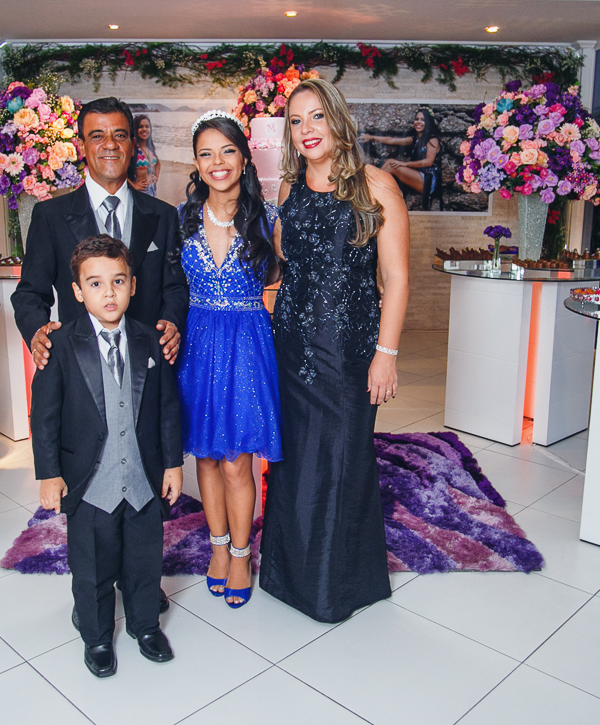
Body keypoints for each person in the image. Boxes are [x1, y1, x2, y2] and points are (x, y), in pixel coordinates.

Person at [260, 78, 410, 623]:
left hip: (348, 351)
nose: (307, 130)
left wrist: (386, 353)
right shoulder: (288, 189)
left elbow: (397, 278)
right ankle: (287, 576)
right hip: (291, 345)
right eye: (296, 121)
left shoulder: (376, 186)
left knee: (343, 458)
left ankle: (336, 587)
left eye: (317, 116)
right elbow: (287, 266)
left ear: (338, 119)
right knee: (294, 459)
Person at [33, 235, 183, 678]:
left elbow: (167, 408)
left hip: (142, 478)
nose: (109, 293)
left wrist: (173, 463)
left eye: (118, 281)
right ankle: (97, 636)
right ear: (77, 291)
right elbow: (45, 415)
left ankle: (145, 625)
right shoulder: (60, 345)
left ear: (133, 285)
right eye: (95, 284)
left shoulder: (150, 340)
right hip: (89, 483)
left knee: (144, 560)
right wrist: (49, 474)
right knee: (92, 567)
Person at [175, 110, 282, 608]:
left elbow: (285, 285)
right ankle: (217, 548)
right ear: (197, 164)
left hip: (247, 344)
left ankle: (241, 554)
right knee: (206, 457)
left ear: (243, 158)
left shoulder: (269, 218)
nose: (217, 162)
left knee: (239, 462)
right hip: (197, 344)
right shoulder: (180, 218)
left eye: (227, 151)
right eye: (206, 153)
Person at [12, 97, 187, 370]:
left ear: (132, 145)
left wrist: (172, 323)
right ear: (82, 146)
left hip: (150, 363)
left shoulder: (164, 216)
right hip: (79, 366)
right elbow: (30, 293)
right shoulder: (50, 216)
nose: (110, 144)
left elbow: (175, 286)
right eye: (97, 136)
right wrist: (37, 333)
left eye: (119, 135)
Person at [359, 107, 440, 197]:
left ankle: (369, 191)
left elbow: (428, 162)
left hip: (429, 181)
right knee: (390, 161)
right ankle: (371, 188)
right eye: (417, 119)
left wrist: (405, 164)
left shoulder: (432, 140)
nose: (418, 122)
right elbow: (391, 140)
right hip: (418, 176)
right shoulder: (415, 139)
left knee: (393, 166)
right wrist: (371, 137)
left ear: (428, 122)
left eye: (423, 120)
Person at [130, 115, 161, 198]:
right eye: (140, 127)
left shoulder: (150, 147)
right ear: (135, 129)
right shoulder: (133, 149)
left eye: (147, 126)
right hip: (141, 191)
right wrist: (133, 185)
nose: (144, 129)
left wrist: (156, 176)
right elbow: (121, 172)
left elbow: (158, 163)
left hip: (153, 188)